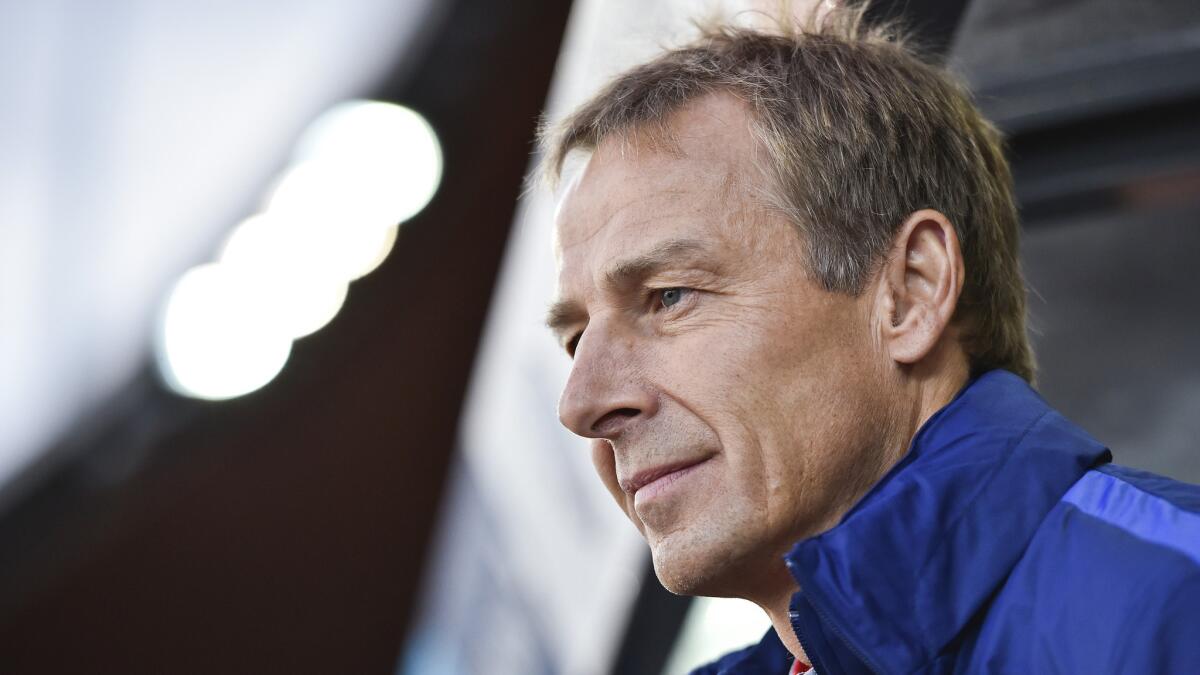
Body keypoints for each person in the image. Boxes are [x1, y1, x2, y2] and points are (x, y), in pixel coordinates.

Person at [538, 2, 1200, 673]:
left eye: (668, 296)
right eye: (575, 338)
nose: (581, 403)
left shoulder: (1174, 604)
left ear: (911, 291)